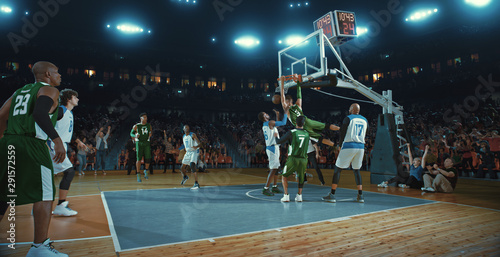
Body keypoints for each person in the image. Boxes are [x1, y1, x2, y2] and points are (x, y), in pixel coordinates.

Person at [0, 61, 68, 256]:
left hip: (8, 143)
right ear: (47, 74)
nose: (59, 75)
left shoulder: (19, 92)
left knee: (3, 193)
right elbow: (39, 113)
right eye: (57, 72)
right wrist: (57, 140)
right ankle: (40, 247)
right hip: (31, 144)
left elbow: (1, 116)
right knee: (45, 194)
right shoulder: (50, 90)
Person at [49, 89, 86, 216]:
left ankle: (40, 205)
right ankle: (61, 204)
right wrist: (47, 142)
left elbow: (67, 131)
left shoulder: (69, 113)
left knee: (48, 176)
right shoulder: (60, 110)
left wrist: (78, 141)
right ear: (69, 99)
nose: (78, 99)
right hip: (55, 145)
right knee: (69, 172)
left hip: (61, 145)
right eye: (76, 97)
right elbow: (46, 124)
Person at [322, 103, 367, 203]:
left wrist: (340, 145)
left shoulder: (348, 118)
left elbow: (342, 133)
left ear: (351, 109)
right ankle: (361, 196)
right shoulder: (365, 120)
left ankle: (332, 195)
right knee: (357, 171)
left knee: (337, 170)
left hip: (349, 145)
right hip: (360, 147)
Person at [280, 78, 339, 147]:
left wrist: (282, 82)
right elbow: (299, 95)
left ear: (287, 102)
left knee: (320, 139)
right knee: (327, 126)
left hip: (303, 127)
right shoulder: (298, 105)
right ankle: (341, 129)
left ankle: (336, 146)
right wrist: (298, 83)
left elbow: (282, 96)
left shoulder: (287, 109)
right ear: (292, 100)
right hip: (308, 121)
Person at [276, 116, 310, 202]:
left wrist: (276, 136)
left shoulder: (292, 132)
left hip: (293, 158)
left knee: (284, 176)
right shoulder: (307, 133)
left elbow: (278, 141)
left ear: (295, 123)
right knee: (301, 177)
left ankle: (286, 195)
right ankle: (299, 196)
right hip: (303, 159)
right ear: (304, 124)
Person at [257, 109, 287, 196]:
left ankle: (274, 187)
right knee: (273, 169)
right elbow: (283, 123)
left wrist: (277, 114)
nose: (267, 114)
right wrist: (285, 113)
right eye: (265, 113)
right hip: (272, 148)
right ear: (264, 117)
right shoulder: (270, 123)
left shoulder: (267, 124)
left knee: (276, 168)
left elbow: (276, 125)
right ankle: (266, 188)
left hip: (274, 147)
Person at [130, 113, 152, 182]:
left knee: (148, 158)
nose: (146, 118)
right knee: (138, 159)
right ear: (141, 118)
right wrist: (135, 135)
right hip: (139, 143)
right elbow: (131, 133)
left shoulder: (149, 125)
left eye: (146, 117)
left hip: (146, 143)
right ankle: (138, 174)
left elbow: (150, 132)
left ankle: (146, 170)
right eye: (144, 117)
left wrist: (150, 134)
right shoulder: (136, 126)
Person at [180, 125, 201, 189]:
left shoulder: (192, 135)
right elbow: (185, 146)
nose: (187, 128)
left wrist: (196, 146)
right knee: (182, 168)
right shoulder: (183, 137)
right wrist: (177, 150)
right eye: (185, 127)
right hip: (187, 153)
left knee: (192, 164)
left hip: (194, 152)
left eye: (187, 127)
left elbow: (200, 143)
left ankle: (196, 183)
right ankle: (185, 177)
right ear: (183, 129)